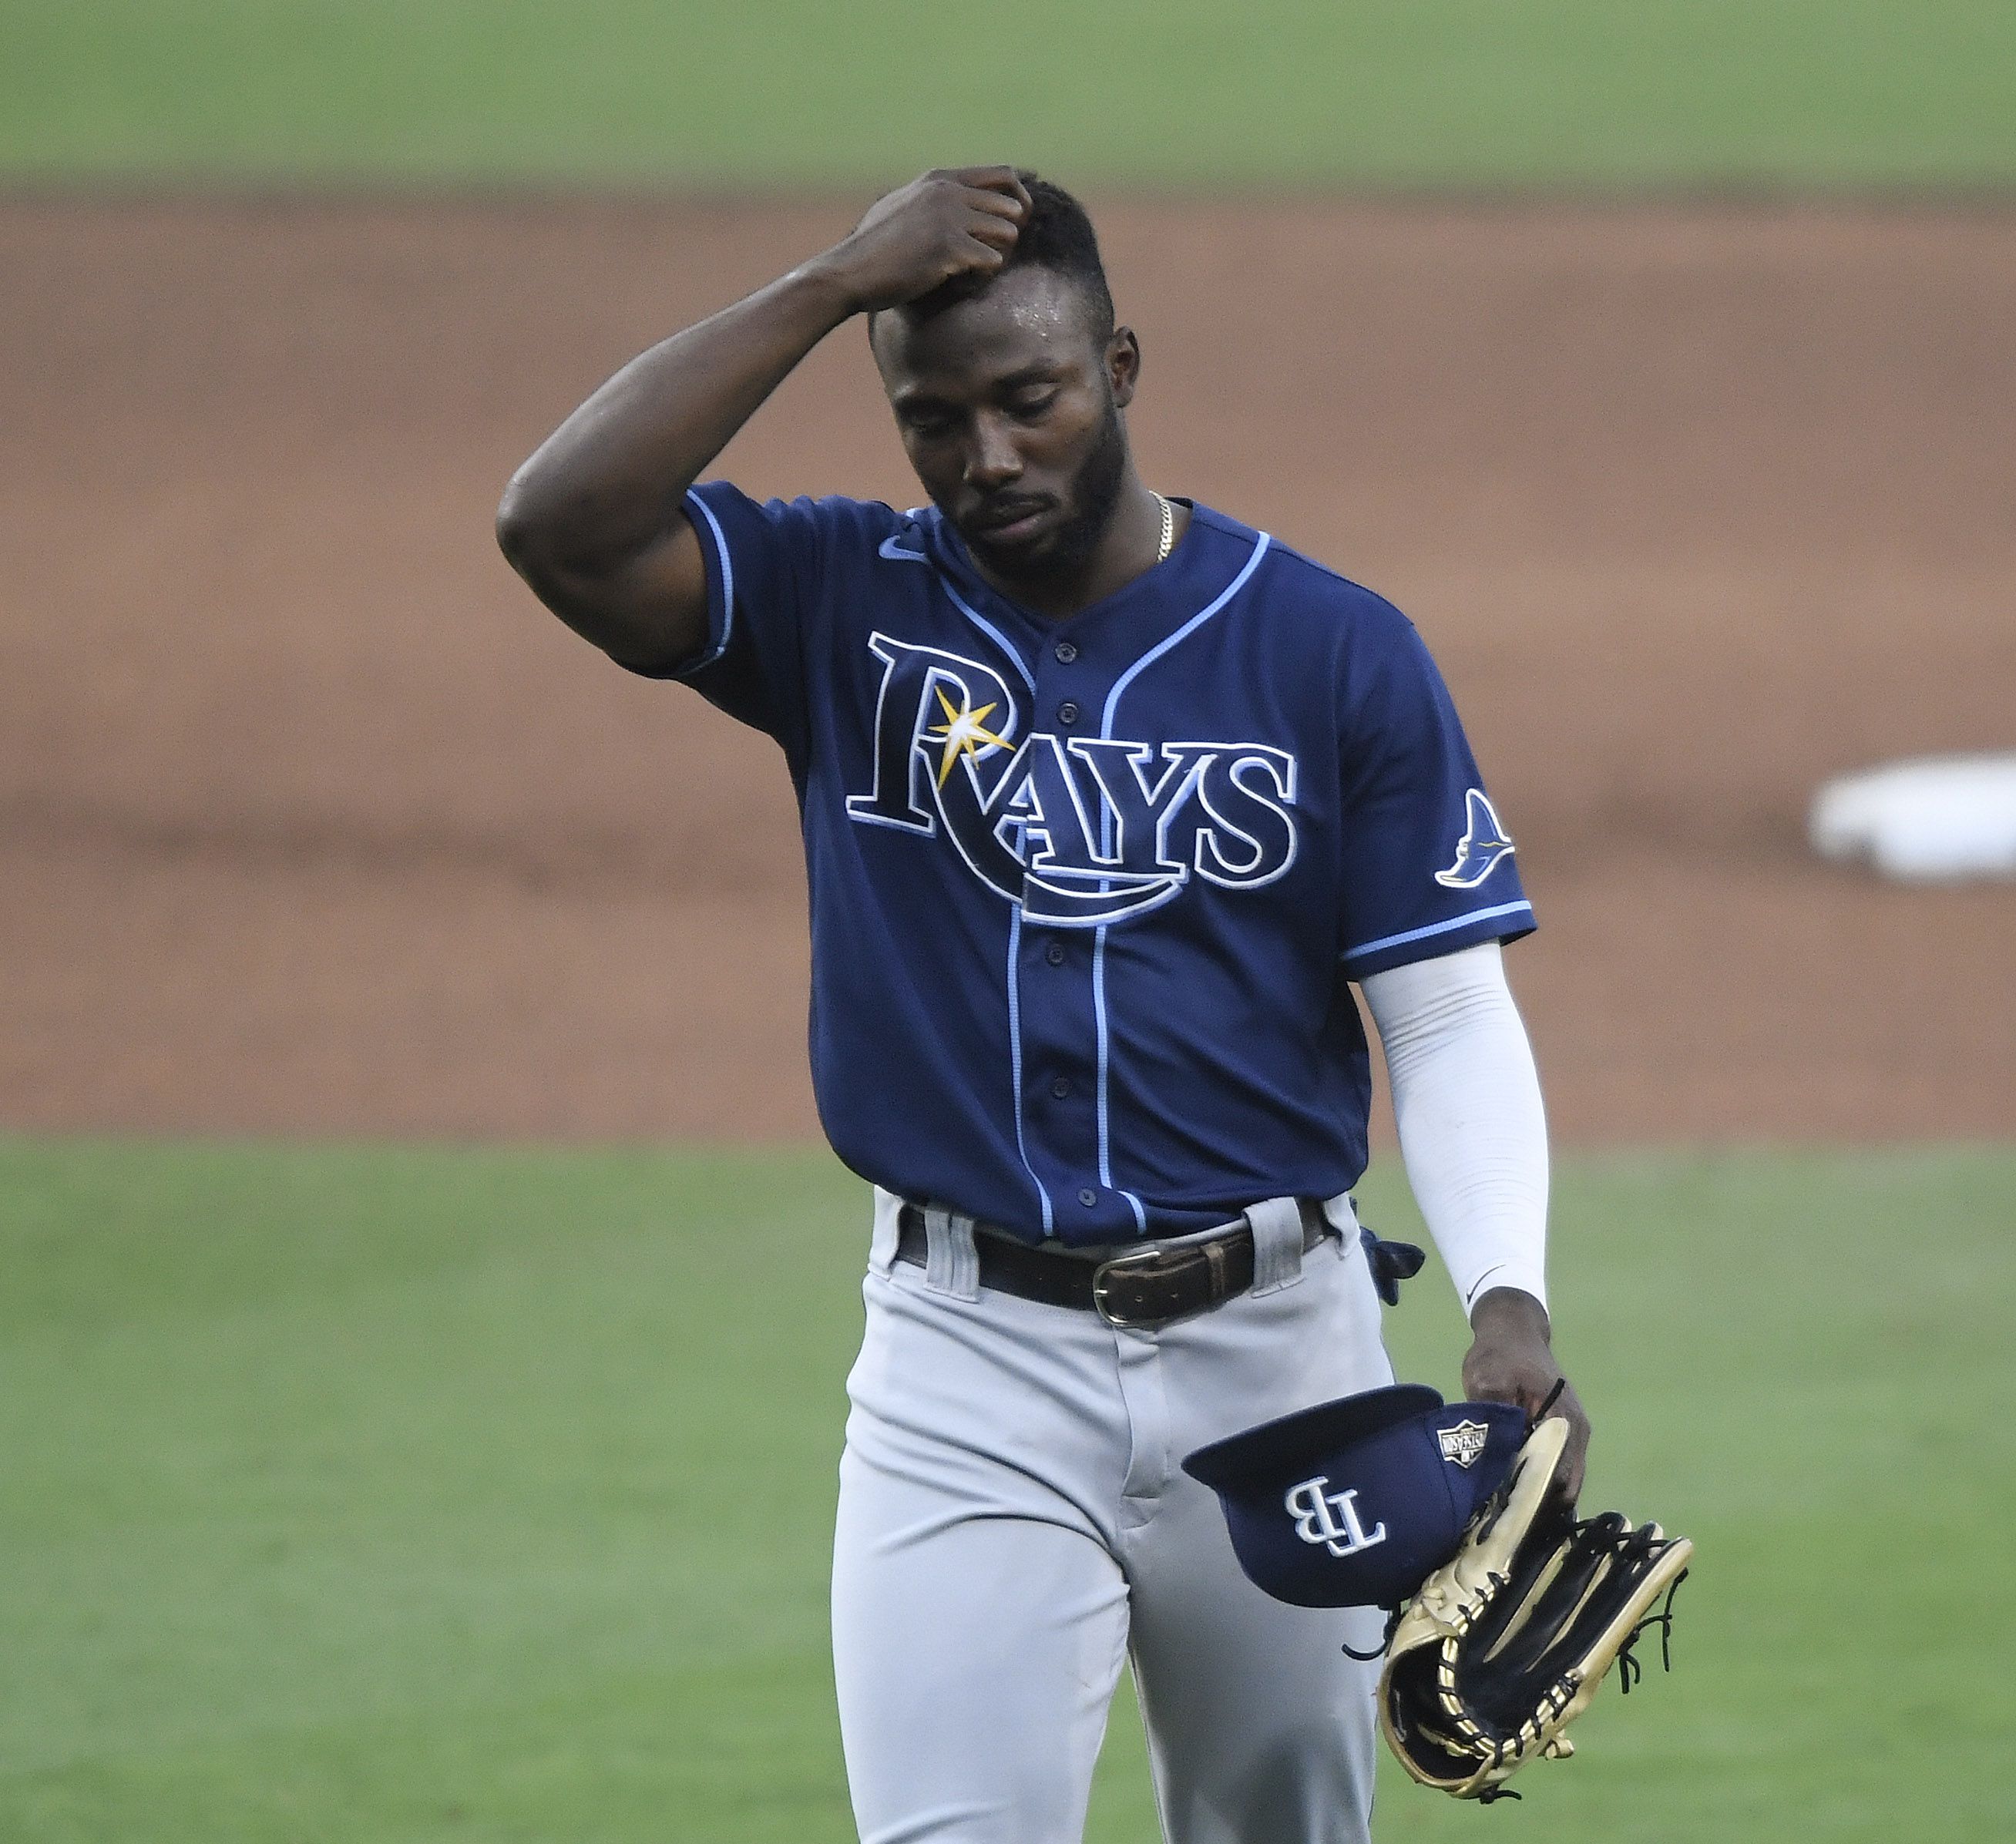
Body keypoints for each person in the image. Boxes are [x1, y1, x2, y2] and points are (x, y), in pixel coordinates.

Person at [495, 166, 1585, 1843]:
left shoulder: (1330, 649)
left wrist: (1506, 1293)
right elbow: (558, 522)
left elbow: (1439, 1015)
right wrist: (830, 283)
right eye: (935, 419)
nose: (986, 456)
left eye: (1031, 399)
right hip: (965, 1364)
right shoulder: (835, 604)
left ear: (1121, 372)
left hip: (1278, 1363)